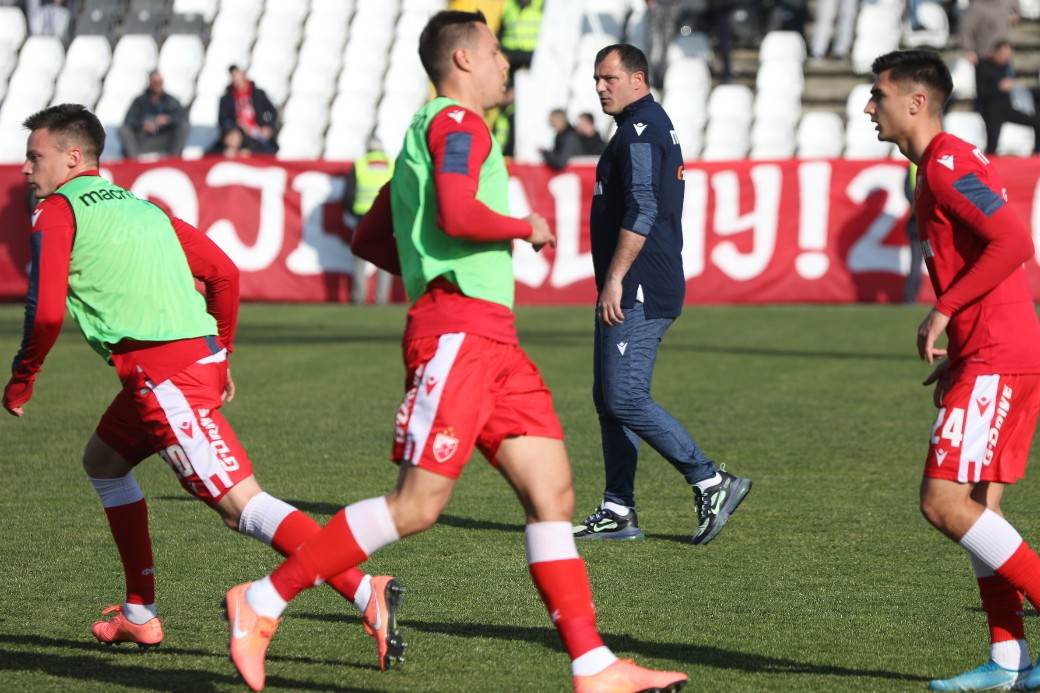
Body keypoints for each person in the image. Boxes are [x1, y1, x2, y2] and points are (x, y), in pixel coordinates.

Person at [222, 12, 689, 693]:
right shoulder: (457, 125)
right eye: (498, 51)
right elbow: (456, 212)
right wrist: (521, 226)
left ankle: (593, 665)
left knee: (552, 492)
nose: (508, 63)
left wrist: (426, 262)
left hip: (490, 336)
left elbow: (373, 237)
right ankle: (261, 601)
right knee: (417, 505)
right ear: (465, 60)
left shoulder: (433, 129)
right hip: (460, 333)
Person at [3, 104, 403, 671]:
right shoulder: (143, 206)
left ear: (72, 159)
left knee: (243, 506)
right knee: (103, 462)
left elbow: (44, 314)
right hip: (191, 362)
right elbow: (224, 274)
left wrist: (22, 380)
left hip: (164, 376)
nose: (24, 168)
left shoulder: (56, 211)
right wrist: (223, 352)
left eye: (34, 156)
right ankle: (140, 612)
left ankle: (366, 592)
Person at [864, 49, 1040, 691]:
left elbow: (1014, 243)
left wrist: (945, 312)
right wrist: (960, 345)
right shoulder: (934, 166)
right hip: (991, 350)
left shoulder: (944, 164)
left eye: (877, 95)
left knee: (943, 503)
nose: (868, 107)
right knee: (979, 512)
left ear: (915, 101)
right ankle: (1009, 662)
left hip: (1000, 351)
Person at [574, 44, 751, 545]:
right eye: (596, 79)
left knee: (625, 397)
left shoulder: (640, 130)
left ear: (637, 78)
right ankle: (617, 508)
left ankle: (711, 480)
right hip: (634, 284)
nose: (600, 87)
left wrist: (615, 278)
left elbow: (644, 208)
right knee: (609, 398)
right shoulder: (642, 126)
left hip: (638, 287)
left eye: (609, 77)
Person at [343, 137, 395, 305]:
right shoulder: (392, 164)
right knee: (385, 258)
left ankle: (359, 297)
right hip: (387, 217)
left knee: (360, 258)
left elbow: (348, 195)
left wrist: (353, 211)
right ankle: (382, 298)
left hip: (363, 216)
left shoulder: (360, 164)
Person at [974, 40, 1040, 155]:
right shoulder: (983, 66)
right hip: (991, 110)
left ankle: (1037, 151)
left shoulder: (1006, 66)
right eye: (1003, 54)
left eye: (1008, 55)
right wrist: (998, 87)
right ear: (995, 52)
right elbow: (981, 93)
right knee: (992, 143)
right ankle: (988, 162)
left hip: (1007, 108)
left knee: (1037, 121)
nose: (1005, 57)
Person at [119, 71, 190, 159]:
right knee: (123, 130)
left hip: (165, 139)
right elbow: (129, 120)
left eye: (160, 82)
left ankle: (173, 159)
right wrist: (143, 125)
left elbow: (183, 117)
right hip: (143, 140)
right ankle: (134, 161)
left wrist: (168, 119)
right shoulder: (139, 101)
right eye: (155, 82)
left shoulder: (171, 101)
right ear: (150, 83)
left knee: (184, 127)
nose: (158, 85)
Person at [217, 66, 278, 155]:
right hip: (238, 135)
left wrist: (268, 126)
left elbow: (272, 111)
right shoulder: (226, 99)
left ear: (244, 74)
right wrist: (233, 129)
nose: (236, 79)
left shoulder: (258, 94)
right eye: (233, 76)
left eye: (238, 75)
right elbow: (223, 120)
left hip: (257, 134)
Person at [499, 0, 543, 75]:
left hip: (533, 53)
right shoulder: (508, 4)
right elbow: (499, 28)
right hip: (510, 52)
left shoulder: (541, 4)